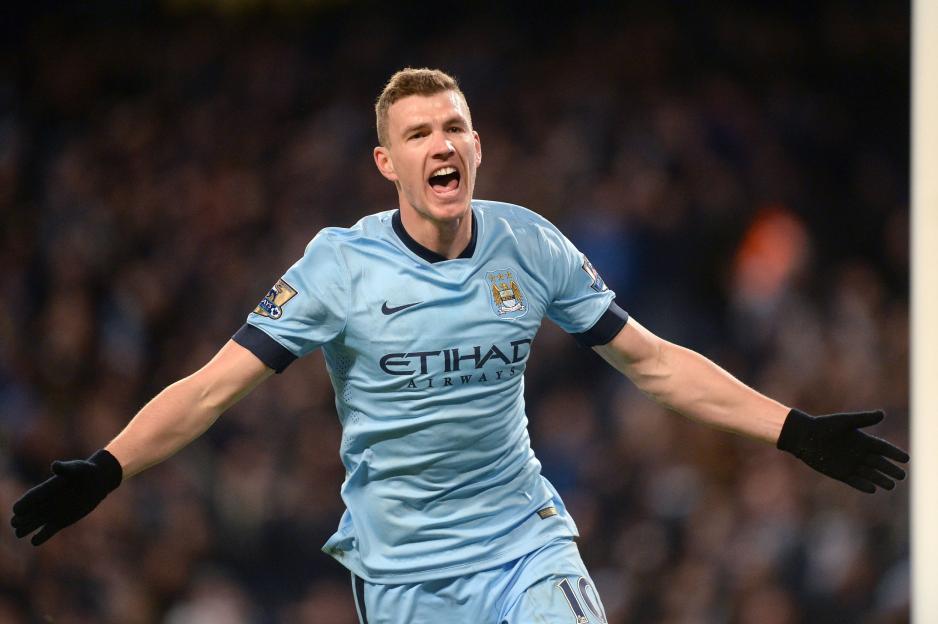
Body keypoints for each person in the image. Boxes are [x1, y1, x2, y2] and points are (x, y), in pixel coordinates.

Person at [11, 68, 909, 624]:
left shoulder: (532, 244)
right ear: (386, 163)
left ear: (476, 145)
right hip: (403, 576)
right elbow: (212, 389)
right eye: (418, 133)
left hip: (524, 543)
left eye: (454, 127)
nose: (441, 144)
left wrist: (793, 431)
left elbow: (654, 361)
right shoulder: (338, 266)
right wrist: (107, 467)